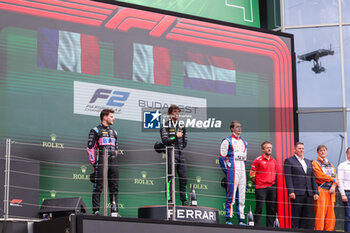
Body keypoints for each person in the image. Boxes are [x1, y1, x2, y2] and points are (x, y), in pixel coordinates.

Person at [87, 109, 119, 216]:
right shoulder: (95, 130)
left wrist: (114, 158)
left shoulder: (114, 132)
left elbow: (116, 149)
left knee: (114, 187)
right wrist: (94, 163)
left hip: (113, 161)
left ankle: (114, 212)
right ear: (104, 117)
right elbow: (90, 148)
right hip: (101, 161)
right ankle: (96, 211)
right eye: (111, 116)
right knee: (98, 186)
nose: (113, 118)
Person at [284, 142, 319, 229]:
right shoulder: (289, 161)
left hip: (308, 193)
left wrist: (315, 192)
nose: (301, 150)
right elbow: (288, 177)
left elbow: (312, 177)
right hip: (297, 193)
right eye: (299, 148)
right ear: (294, 150)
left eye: (303, 148)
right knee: (296, 216)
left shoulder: (308, 161)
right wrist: (291, 191)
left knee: (307, 217)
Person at [219, 121, 247, 225]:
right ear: (232, 129)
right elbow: (222, 158)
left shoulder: (244, 142)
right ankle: (228, 218)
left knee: (242, 195)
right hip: (233, 170)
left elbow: (244, 159)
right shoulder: (227, 141)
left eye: (240, 127)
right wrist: (227, 171)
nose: (239, 129)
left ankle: (241, 219)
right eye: (237, 127)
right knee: (231, 195)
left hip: (242, 170)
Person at [160, 105, 188, 205]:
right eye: (174, 112)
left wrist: (178, 144)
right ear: (169, 113)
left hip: (181, 153)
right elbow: (165, 141)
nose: (177, 114)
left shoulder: (181, 125)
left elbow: (185, 142)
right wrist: (175, 137)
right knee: (170, 177)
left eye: (178, 112)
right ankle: (169, 200)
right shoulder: (165, 125)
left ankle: (184, 200)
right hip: (171, 153)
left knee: (184, 178)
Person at [249, 141, 277, 227]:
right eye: (267, 147)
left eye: (270, 148)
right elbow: (252, 175)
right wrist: (259, 182)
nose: (269, 149)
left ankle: (270, 227)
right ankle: (256, 226)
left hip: (271, 187)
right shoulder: (257, 160)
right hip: (261, 187)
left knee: (271, 209)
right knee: (259, 208)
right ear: (262, 149)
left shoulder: (274, 161)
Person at [312, 145, 337, 231]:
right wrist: (332, 179)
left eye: (324, 150)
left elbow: (335, 177)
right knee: (320, 215)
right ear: (318, 152)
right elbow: (319, 176)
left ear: (327, 152)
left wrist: (334, 186)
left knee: (330, 216)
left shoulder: (330, 164)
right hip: (321, 190)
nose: (323, 152)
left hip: (331, 192)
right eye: (320, 151)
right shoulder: (315, 163)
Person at [338, 147, 350, 232]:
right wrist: (343, 194)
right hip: (347, 193)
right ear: (347, 154)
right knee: (349, 216)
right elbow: (340, 181)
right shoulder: (342, 165)